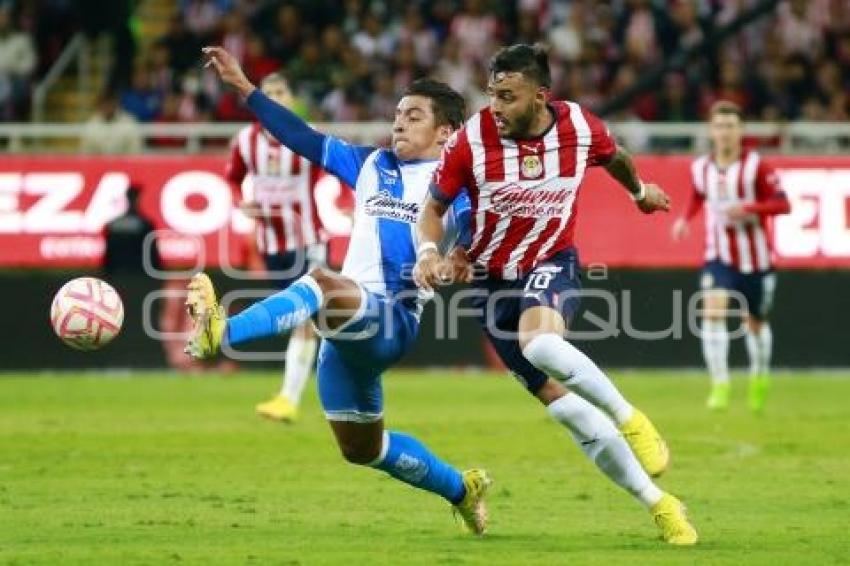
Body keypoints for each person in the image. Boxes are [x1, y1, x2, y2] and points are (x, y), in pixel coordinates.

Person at [186, 46, 491, 535]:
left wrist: (454, 262)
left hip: (392, 320)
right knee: (363, 450)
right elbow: (300, 136)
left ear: (445, 133)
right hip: (347, 339)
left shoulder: (451, 187)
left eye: (413, 117)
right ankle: (462, 489)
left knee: (320, 280)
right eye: (396, 115)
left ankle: (222, 331)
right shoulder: (370, 164)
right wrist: (245, 89)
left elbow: (471, 238)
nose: (398, 124)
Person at [415, 44, 698, 545]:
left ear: (540, 95)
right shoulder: (471, 140)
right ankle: (661, 505)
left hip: (551, 261)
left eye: (507, 96)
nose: (496, 107)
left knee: (541, 345)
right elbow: (433, 208)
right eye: (491, 95)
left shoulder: (580, 127)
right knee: (563, 406)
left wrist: (639, 194)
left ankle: (630, 417)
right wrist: (431, 254)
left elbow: (616, 158)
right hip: (489, 281)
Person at [672, 100, 791, 412]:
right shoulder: (701, 167)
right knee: (712, 311)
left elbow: (783, 204)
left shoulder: (757, 167)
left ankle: (759, 377)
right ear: (712, 131)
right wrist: (686, 218)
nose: (725, 132)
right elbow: (699, 193)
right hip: (718, 256)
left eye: (731, 126)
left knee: (754, 323)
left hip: (757, 259)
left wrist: (750, 208)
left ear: (741, 131)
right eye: (720, 126)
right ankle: (720, 383)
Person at [226, 72, 327, 423]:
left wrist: (346, 200)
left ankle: (289, 397)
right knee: (298, 318)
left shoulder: (305, 133)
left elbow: (333, 168)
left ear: (290, 97)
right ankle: (296, 389)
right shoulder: (244, 141)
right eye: (266, 92)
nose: (273, 96)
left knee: (305, 315)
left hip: (308, 238)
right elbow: (233, 178)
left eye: (279, 91)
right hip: (271, 243)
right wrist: (241, 202)